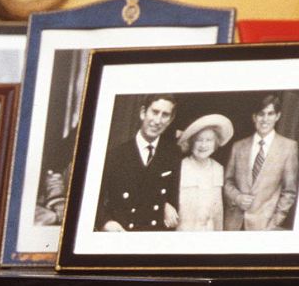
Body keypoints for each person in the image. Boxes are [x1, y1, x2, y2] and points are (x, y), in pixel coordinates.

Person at [94, 94, 179, 232]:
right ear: (143, 113)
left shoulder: (172, 155)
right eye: (155, 112)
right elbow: (93, 199)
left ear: (170, 120)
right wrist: (106, 222)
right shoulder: (115, 155)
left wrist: (166, 204)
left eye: (165, 115)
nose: (158, 120)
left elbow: (174, 196)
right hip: (122, 233)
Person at [223, 94, 299, 231]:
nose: (265, 119)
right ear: (254, 117)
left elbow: (289, 192)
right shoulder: (238, 146)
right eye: (261, 114)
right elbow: (227, 182)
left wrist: (273, 223)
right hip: (233, 224)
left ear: (278, 116)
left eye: (270, 114)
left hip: (264, 226)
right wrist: (237, 197)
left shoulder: (288, 147)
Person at [173, 113, 232, 232]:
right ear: (191, 142)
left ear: (215, 143)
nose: (203, 145)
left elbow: (218, 210)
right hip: (183, 230)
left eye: (209, 140)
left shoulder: (218, 168)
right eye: (198, 140)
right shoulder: (180, 167)